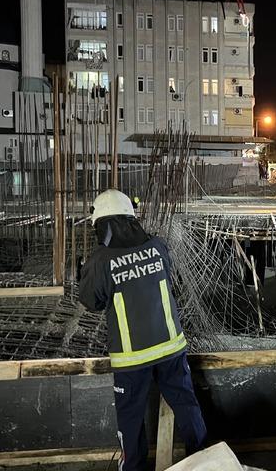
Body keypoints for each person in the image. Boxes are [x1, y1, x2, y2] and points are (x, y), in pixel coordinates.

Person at [78, 189, 206, 470]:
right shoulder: (158, 246)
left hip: (132, 357)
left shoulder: (101, 261)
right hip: (171, 346)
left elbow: (91, 300)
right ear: (131, 219)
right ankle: (204, 461)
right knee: (187, 405)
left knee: (131, 420)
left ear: (101, 224)